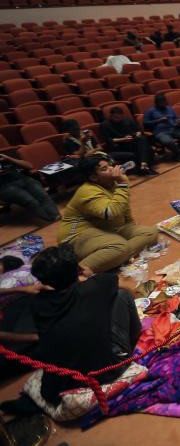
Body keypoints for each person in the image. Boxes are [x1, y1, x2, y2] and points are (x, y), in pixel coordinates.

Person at [29, 245, 141, 406]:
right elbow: (128, 290)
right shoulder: (97, 286)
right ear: (78, 268)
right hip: (106, 372)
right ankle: (128, 347)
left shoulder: (37, 304)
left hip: (62, 383)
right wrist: (89, 275)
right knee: (121, 296)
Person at [57, 155, 158, 273]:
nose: (111, 169)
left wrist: (130, 224)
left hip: (104, 229)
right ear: (94, 178)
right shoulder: (87, 190)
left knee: (151, 233)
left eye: (110, 165)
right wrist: (123, 183)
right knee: (119, 247)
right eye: (104, 169)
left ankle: (114, 256)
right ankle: (78, 272)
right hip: (77, 237)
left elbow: (124, 206)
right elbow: (110, 213)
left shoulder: (114, 183)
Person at [0, 153, 59, 224]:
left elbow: (30, 166)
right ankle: (52, 220)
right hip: (4, 187)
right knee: (31, 201)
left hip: (24, 179)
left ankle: (56, 216)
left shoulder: (5, 156)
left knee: (43, 196)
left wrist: (9, 159)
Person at [100, 106, 156, 175]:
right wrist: (123, 139)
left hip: (132, 142)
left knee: (143, 138)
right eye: (116, 118)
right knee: (144, 147)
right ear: (111, 116)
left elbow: (139, 130)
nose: (119, 119)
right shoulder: (105, 125)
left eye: (120, 117)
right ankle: (144, 165)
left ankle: (143, 164)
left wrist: (138, 133)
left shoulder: (127, 120)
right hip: (120, 146)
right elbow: (109, 140)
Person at [142, 94, 180, 161]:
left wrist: (176, 122)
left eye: (164, 102)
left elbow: (176, 117)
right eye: (161, 103)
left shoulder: (169, 108)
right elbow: (145, 123)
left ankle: (176, 153)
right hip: (160, 132)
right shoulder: (149, 111)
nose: (163, 104)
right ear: (156, 103)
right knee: (168, 142)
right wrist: (159, 120)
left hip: (173, 128)